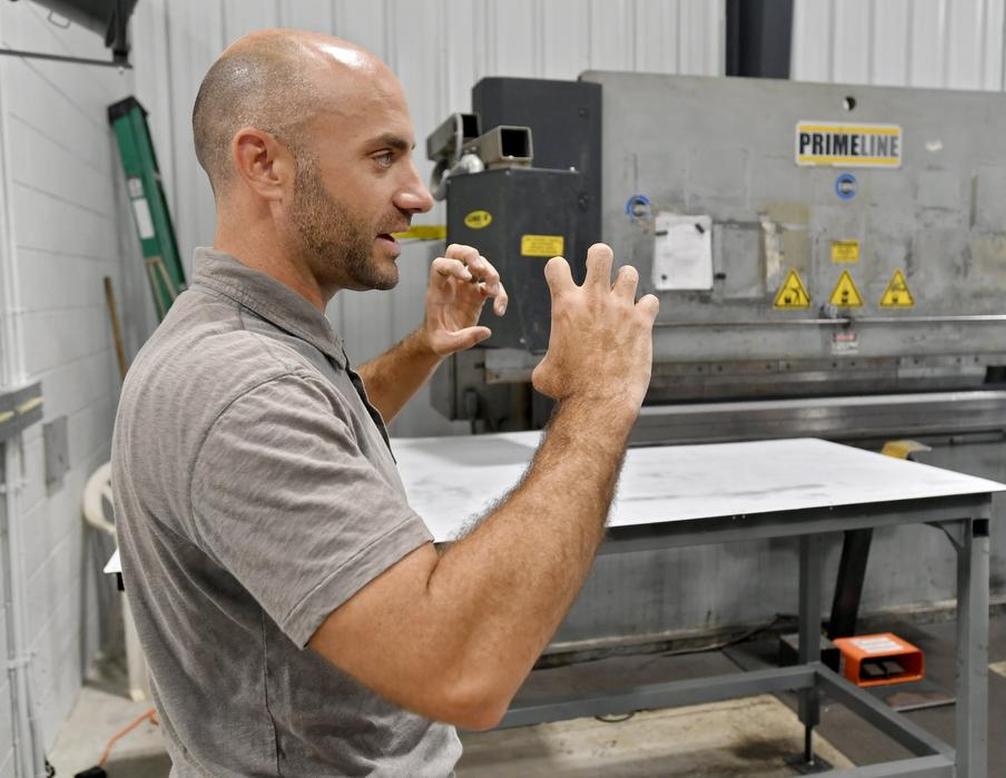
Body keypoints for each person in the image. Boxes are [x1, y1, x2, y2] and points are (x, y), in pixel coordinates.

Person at [111, 28, 659, 777]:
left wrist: (423, 347)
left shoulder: (251, 338)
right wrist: (600, 395)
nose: (418, 194)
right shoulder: (242, 386)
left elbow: (324, 411)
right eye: (382, 156)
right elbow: (461, 667)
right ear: (263, 163)